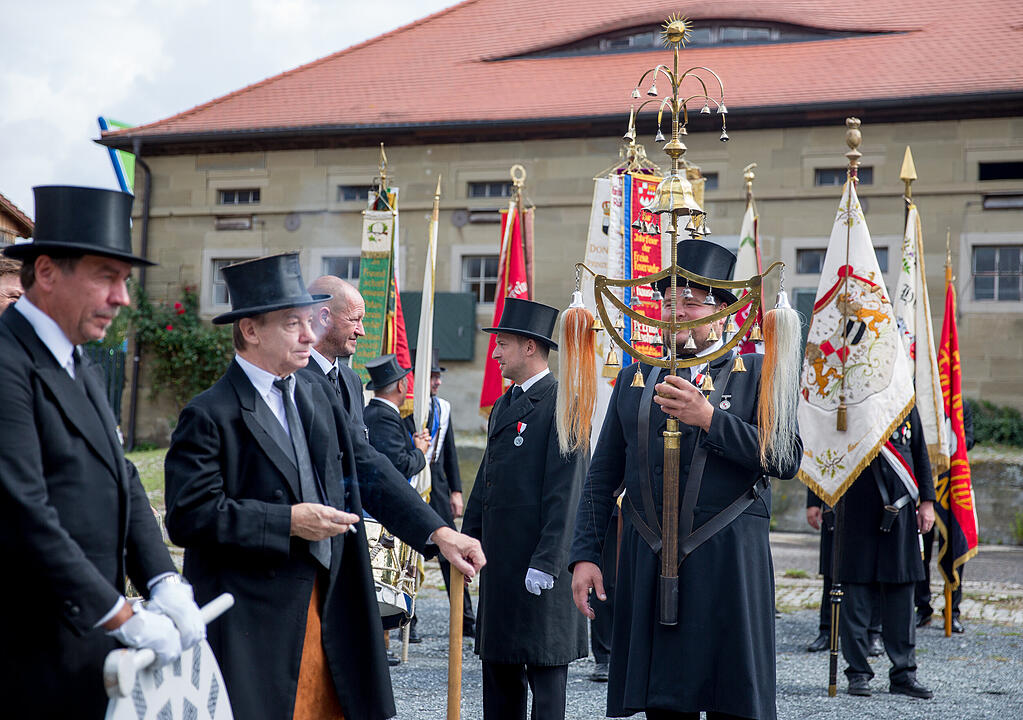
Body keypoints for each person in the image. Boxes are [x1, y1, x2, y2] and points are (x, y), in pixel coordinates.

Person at [164, 253, 485, 720]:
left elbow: (367, 468)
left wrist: (438, 533)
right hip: (252, 625)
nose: (309, 335)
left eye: (307, 322)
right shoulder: (209, 413)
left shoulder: (316, 393)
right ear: (251, 330)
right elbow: (188, 516)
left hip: (328, 606)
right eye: (293, 324)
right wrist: (288, 521)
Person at [570, 239, 802, 720]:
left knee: (729, 699)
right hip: (649, 557)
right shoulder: (636, 376)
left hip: (728, 562)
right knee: (663, 702)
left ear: (723, 312)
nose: (675, 314)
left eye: (690, 303)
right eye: (667, 303)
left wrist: (709, 419)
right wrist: (585, 556)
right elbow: (602, 477)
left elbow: (785, 457)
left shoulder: (759, 370)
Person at [0, 186, 203, 718]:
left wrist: (162, 579)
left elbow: (124, 479)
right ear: (45, 272)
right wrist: (120, 615)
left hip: (85, 647)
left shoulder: (78, 362)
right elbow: (22, 510)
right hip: (24, 652)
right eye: (106, 277)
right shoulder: (5, 364)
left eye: (125, 281)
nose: (123, 299)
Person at [463, 297, 588, 720]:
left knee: (546, 682)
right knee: (499, 680)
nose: (495, 353)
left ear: (529, 347)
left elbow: (566, 493)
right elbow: (487, 481)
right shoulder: (505, 402)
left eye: (502, 344)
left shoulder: (563, 402)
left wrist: (549, 563)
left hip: (539, 571)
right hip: (501, 567)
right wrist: (468, 540)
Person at [836, 406, 935, 699]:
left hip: (901, 510)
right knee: (855, 596)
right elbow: (825, 453)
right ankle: (857, 673)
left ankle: (904, 674)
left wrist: (927, 501)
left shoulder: (904, 400)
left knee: (902, 594)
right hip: (856, 509)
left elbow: (920, 452)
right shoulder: (848, 401)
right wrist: (819, 500)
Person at [409, 348, 477, 639]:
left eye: (438, 377)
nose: (437, 382)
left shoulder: (444, 408)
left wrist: (456, 490)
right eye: (432, 377)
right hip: (412, 479)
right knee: (410, 553)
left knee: (452, 550)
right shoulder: (406, 407)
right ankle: (407, 620)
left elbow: (449, 453)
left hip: (436, 481)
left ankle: (466, 618)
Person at [916, 400, 974, 632]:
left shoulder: (962, 405)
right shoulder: (922, 403)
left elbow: (969, 439)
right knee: (921, 551)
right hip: (927, 483)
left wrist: (952, 440)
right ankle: (922, 608)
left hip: (952, 486)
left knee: (955, 550)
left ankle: (953, 612)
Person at [806, 489, 884, 657]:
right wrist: (813, 502)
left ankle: (874, 632)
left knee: (873, 566)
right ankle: (827, 631)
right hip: (837, 497)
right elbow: (817, 463)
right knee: (832, 567)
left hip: (873, 498)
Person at [306, 275, 368, 434]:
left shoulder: (352, 379)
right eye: (354, 320)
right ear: (324, 317)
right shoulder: (292, 375)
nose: (361, 332)